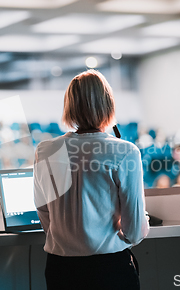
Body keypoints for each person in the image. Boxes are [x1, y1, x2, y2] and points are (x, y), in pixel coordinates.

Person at [33, 70, 149, 290]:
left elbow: (44, 212)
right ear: (108, 104)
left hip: (60, 269)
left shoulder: (45, 150)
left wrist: (69, 238)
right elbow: (134, 231)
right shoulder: (125, 151)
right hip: (108, 268)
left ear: (69, 106)